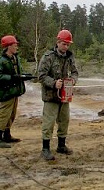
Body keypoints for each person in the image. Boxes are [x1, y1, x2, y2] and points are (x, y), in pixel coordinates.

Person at [38, 29, 79, 160]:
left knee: (64, 120)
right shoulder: (48, 57)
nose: (66, 47)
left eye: (68, 44)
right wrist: (54, 83)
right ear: (58, 42)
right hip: (51, 95)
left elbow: (75, 72)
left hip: (65, 95)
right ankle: (45, 149)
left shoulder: (70, 57)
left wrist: (72, 80)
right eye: (64, 44)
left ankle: (61, 145)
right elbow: (41, 76)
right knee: (48, 122)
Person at [0, 35, 28, 148]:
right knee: (4, 114)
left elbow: (16, 72)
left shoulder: (15, 58)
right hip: (6, 92)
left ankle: (7, 135)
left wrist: (22, 77)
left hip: (14, 91)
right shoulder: (0, 61)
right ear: (8, 46)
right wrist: (11, 78)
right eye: (14, 44)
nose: (16, 46)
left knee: (12, 114)